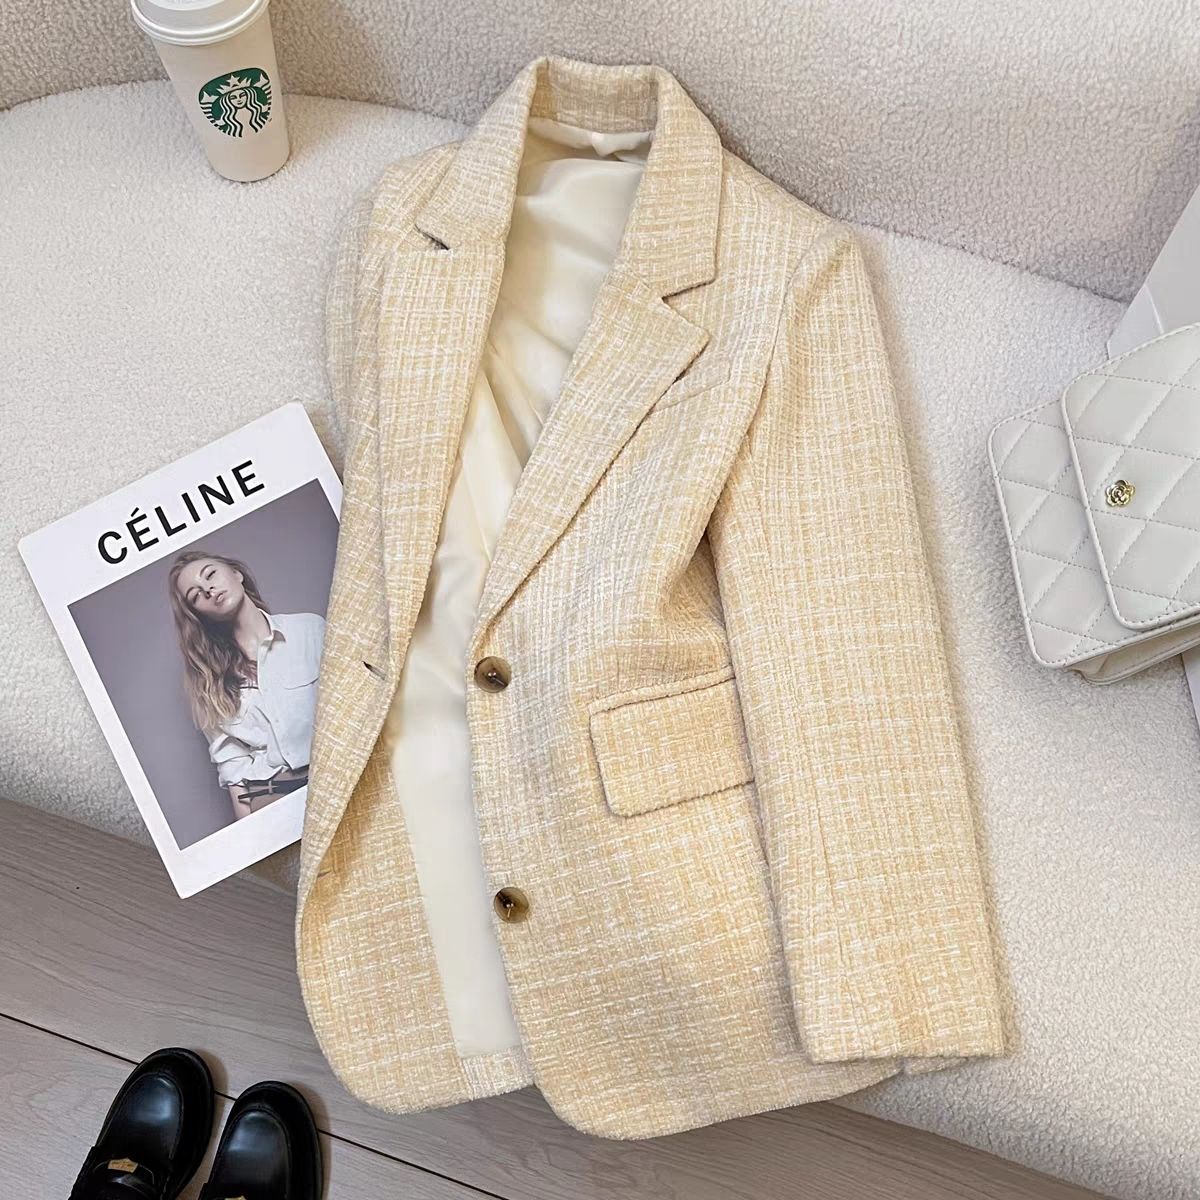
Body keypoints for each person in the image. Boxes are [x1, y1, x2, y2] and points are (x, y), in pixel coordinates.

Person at [167, 549, 325, 822]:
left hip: (335, 775)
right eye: (195, 595)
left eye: (210, 574)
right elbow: (232, 762)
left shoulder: (309, 630)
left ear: (236, 573)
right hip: (272, 793)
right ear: (197, 613)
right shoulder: (207, 679)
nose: (208, 589)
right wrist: (249, 832)